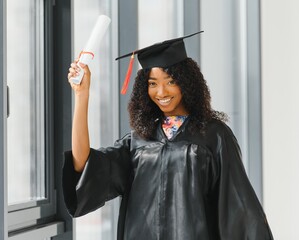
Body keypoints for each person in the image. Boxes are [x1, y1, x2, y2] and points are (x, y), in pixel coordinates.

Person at [63, 32, 274, 240]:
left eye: (170, 81)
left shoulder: (214, 135)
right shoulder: (138, 141)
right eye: (153, 83)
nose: (161, 92)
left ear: (187, 82)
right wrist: (82, 96)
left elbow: (239, 206)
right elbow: (83, 164)